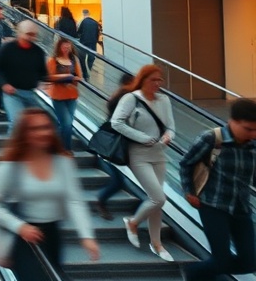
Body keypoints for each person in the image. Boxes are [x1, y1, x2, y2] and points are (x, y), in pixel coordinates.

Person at [0, 109, 99, 280]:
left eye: (46, 127)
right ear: (23, 133)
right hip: (23, 238)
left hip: (52, 235)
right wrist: (20, 227)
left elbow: (74, 201)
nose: (42, 133)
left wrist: (86, 236)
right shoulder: (10, 166)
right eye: (34, 129)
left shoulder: (63, 163)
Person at [180, 98, 256, 280]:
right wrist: (189, 191)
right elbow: (186, 163)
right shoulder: (212, 138)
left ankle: (199, 273)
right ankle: (193, 274)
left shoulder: (253, 146)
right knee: (221, 260)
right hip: (213, 205)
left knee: (250, 261)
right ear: (233, 122)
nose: (253, 134)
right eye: (248, 129)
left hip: (241, 207)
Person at [111, 65, 176, 262]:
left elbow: (171, 127)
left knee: (155, 202)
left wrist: (167, 136)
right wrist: (142, 137)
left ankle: (156, 244)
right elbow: (116, 122)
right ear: (143, 79)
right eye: (153, 80)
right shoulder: (131, 98)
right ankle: (132, 222)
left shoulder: (164, 100)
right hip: (138, 154)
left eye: (160, 80)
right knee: (158, 198)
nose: (157, 84)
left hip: (159, 153)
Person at [0, 20, 48, 130]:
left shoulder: (38, 52)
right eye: (28, 34)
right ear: (20, 33)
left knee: (38, 125)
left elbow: (43, 72)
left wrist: (43, 82)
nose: (31, 37)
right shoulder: (7, 49)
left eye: (34, 34)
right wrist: (3, 84)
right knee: (17, 122)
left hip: (30, 93)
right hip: (13, 93)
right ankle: (13, 147)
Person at [93, 73, 134, 220]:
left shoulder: (119, 97)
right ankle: (101, 200)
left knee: (120, 179)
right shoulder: (125, 98)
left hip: (111, 143)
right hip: (113, 145)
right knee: (118, 180)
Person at [46, 37, 83, 149]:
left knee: (66, 124)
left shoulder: (74, 60)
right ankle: (66, 149)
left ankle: (57, 146)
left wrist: (73, 78)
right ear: (59, 47)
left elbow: (80, 77)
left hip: (72, 95)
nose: (66, 48)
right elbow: (48, 77)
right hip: (58, 97)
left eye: (68, 46)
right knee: (66, 124)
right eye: (64, 46)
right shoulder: (53, 60)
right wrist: (65, 77)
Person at [77, 10, 100, 81]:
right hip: (93, 42)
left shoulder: (83, 21)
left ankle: (85, 74)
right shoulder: (95, 22)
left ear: (83, 14)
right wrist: (95, 40)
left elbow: (79, 32)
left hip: (84, 42)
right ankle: (90, 70)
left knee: (82, 58)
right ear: (89, 14)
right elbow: (97, 33)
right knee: (91, 57)